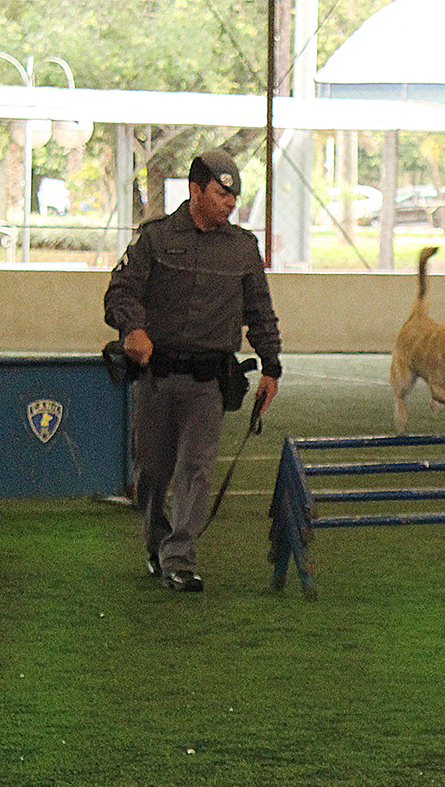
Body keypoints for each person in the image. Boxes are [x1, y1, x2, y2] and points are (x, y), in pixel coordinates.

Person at [103, 149, 282, 592]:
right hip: (157, 377)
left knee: (197, 468)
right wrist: (135, 328)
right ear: (195, 190)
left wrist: (271, 365)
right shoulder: (156, 239)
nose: (230, 203)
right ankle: (157, 544)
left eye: (234, 196)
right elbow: (119, 292)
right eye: (222, 194)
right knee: (152, 471)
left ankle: (181, 558)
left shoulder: (243, 247)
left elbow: (260, 312)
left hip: (209, 382)